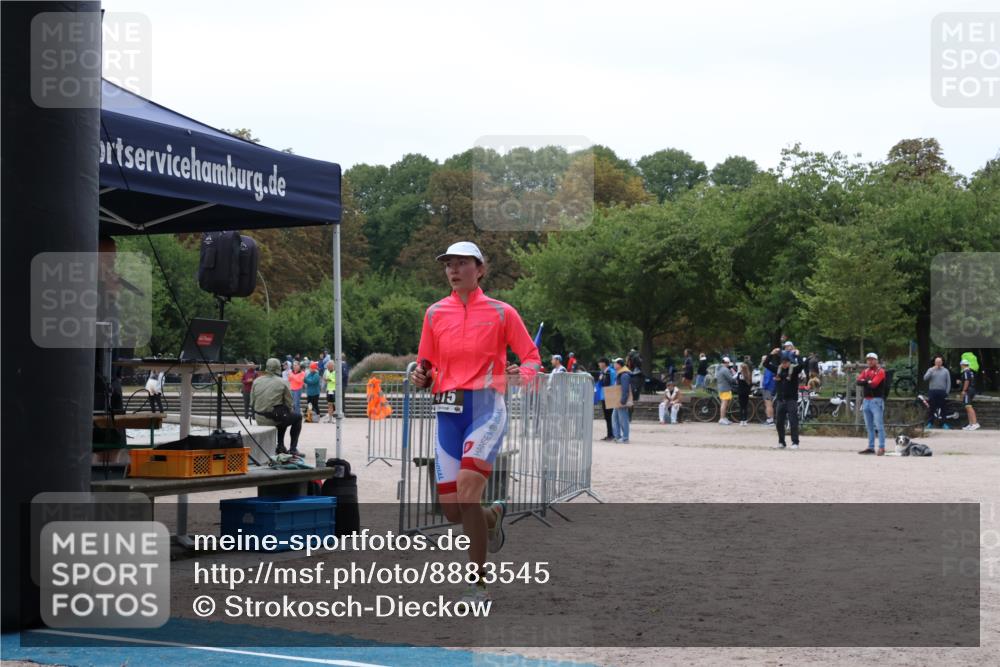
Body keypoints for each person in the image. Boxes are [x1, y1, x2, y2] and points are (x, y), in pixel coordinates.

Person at [411, 241, 541, 607]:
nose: (453, 269)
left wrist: (521, 374)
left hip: (486, 408)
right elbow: (425, 366)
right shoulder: (434, 313)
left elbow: (531, 357)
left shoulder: (502, 312)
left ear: (480, 269)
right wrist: (420, 377)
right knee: (454, 510)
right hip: (447, 413)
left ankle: (478, 586)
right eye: (448, 264)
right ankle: (492, 516)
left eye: (462, 263)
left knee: (468, 493)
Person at [250, 358, 302, 456]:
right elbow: (289, 404)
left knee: (282, 414)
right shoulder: (282, 382)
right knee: (296, 417)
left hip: (259, 417)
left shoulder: (256, 381)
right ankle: (293, 449)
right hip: (274, 419)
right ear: (278, 368)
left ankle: (281, 446)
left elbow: (252, 402)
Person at [764, 347, 807, 449]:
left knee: (793, 421)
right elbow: (766, 364)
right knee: (779, 422)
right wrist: (771, 354)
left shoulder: (794, 370)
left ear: (789, 362)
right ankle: (781, 442)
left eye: (786, 362)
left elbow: (802, 365)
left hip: (791, 400)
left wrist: (798, 355)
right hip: (781, 400)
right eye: (783, 362)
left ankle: (795, 442)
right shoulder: (777, 370)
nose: (784, 364)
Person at [856, 352, 887, 455]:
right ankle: (871, 447)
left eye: (872, 359)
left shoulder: (880, 371)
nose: (870, 361)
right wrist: (867, 381)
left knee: (879, 425)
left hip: (876, 400)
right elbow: (858, 381)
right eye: (868, 360)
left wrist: (865, 381)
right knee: (869, 426)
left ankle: (881, 447)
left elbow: (874, 384)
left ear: (876, 361)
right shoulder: (866, 371)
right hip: (866, 400)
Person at [923, 355, 951, 429]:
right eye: (937, 362)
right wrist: (932, 370)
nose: (938, 363)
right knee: (931, 408)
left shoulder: (945, 371)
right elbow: (925, 378)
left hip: (942, 392)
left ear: (942, 362)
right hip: (932, 391)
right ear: (935, 362)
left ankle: (944, 423)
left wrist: (947, 392)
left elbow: (948, 382)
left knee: (943, 408)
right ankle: (930, 423)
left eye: (940, 362)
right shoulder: (930, 370)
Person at [611, 358, 632, 443]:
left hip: (621, 401)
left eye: (615, 363)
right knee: (615, 418)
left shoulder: (624, 375)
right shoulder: (621, 374)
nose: (614, 365)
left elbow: (625, 390)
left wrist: (622, 401)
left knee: (623, 419)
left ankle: (625, 438)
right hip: (618, 400)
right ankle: (617, 436)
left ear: (619, 365)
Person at [595, 357, 616, 441]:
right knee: (608, 417)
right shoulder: (605, 372)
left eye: (600, 363)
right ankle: (610, 434)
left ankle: (611, 435)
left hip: (608, 395)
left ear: (604, 363)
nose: (599, 364)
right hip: (606, 395)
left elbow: (606, 384)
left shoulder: (608, 371)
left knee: (609, 416)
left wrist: (601, 378)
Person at [959, 359, 980, 431]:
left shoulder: (966, 371)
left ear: (963, 365)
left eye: (961, 365)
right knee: (967, 406)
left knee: (968, 406)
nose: (961, 366)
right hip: (972, 389)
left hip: (968, 390)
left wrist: (964, 390)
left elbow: (967, 381)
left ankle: (975, 423)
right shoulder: (970, 371)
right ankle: (971, 424)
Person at [715, 356, 736, 425]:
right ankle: (722, 418)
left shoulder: (719, 368)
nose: (728, 364)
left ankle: (723, 418)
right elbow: (731, 379)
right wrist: (734, 375)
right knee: (724, 404)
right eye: (728, 363)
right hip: (725, 388)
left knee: (724, 403)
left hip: (721, 388)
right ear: (726, 363)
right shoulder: (725, 370)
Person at [759, 354, 776, 425]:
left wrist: (764, 386)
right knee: (769, 404)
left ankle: (770, 420)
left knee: (768, 404)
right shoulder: (769, 367)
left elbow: (767, 379)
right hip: (770, 387)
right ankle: (770, 419)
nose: (762, 361)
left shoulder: (768, 367)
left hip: (767, 388)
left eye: (763, 360)